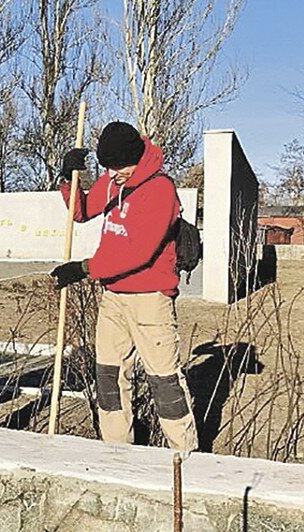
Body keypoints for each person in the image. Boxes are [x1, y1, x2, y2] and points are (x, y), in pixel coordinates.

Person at [50, 121, 198, 453]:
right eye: (109, 168)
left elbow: (138, 252)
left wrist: (84, 268)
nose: (114, 174)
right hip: (113, 297)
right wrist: (68, 178)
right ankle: (116, 453)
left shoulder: (161, 191)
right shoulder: (115, 177)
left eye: (120, 167)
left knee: (165, 383)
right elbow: (82, 211)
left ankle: (185, 459)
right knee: (109, 379)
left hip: (150, 299)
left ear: (135, 157)